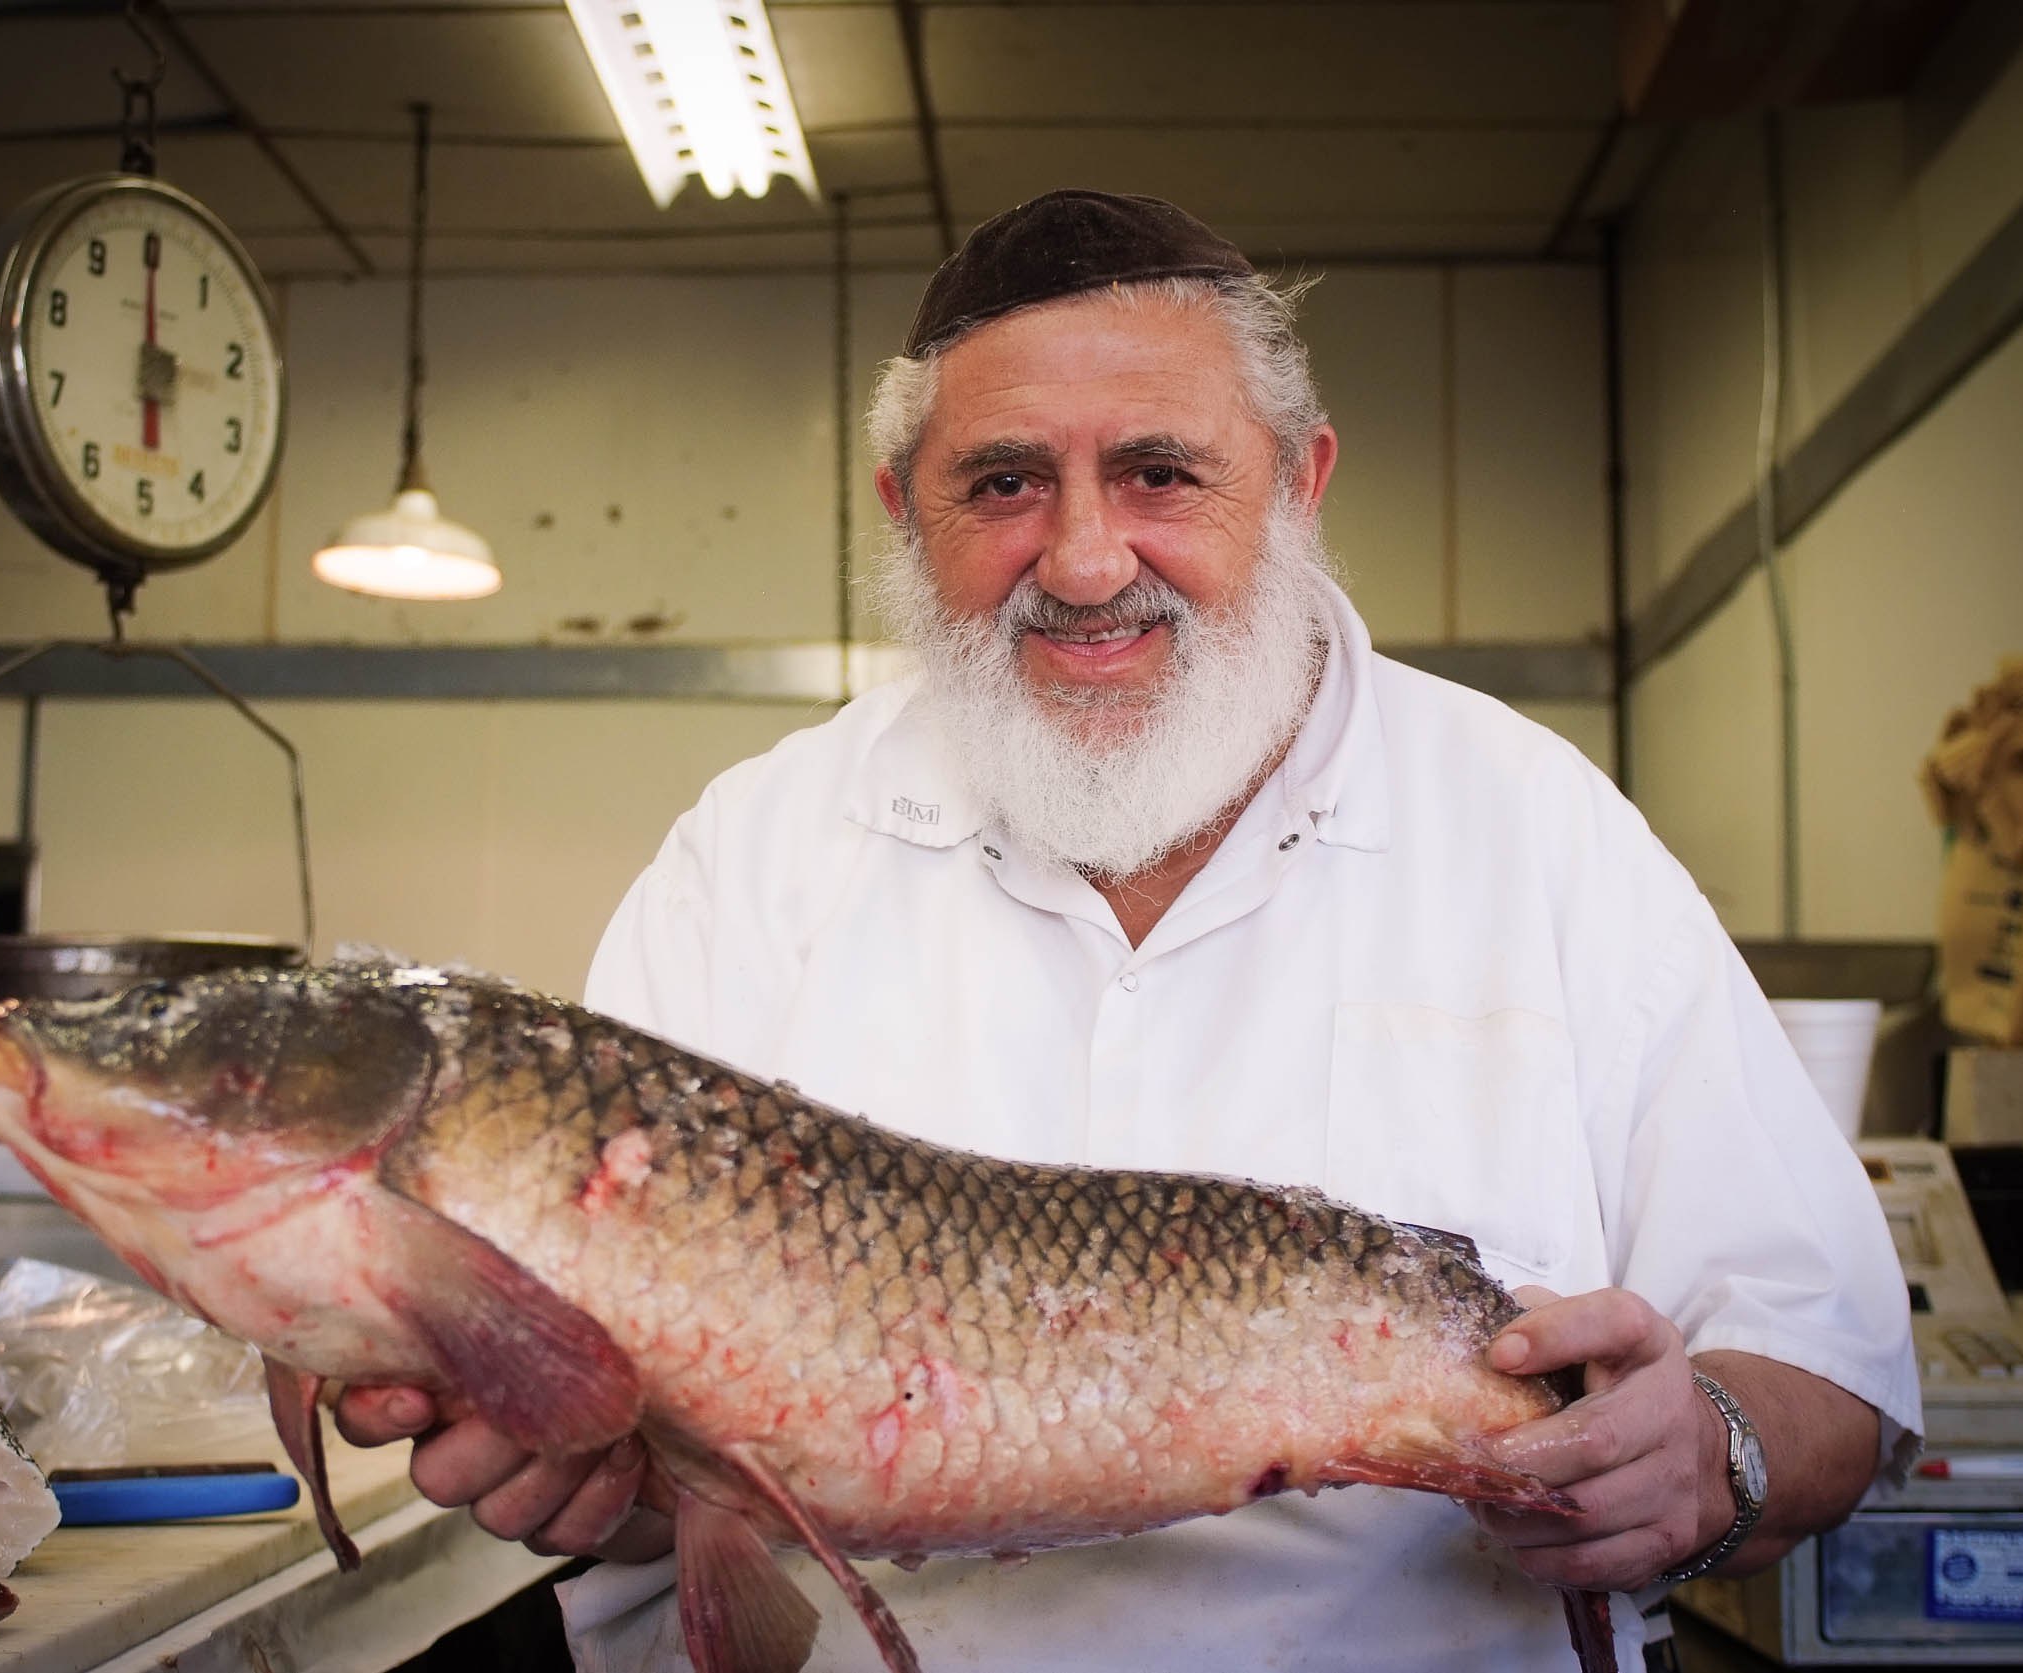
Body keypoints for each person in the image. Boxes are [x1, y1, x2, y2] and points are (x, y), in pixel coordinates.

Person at [339, 190, 1920, 1672]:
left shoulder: (1536, 830)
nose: (1086, 562)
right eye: (1004, 482)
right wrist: (587, 1464)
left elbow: (1831, 1372)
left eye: (1161, 471)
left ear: (1298, 482)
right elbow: (650, 1474)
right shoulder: (751, 862)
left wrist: (1707, 1451)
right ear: (903, 510)